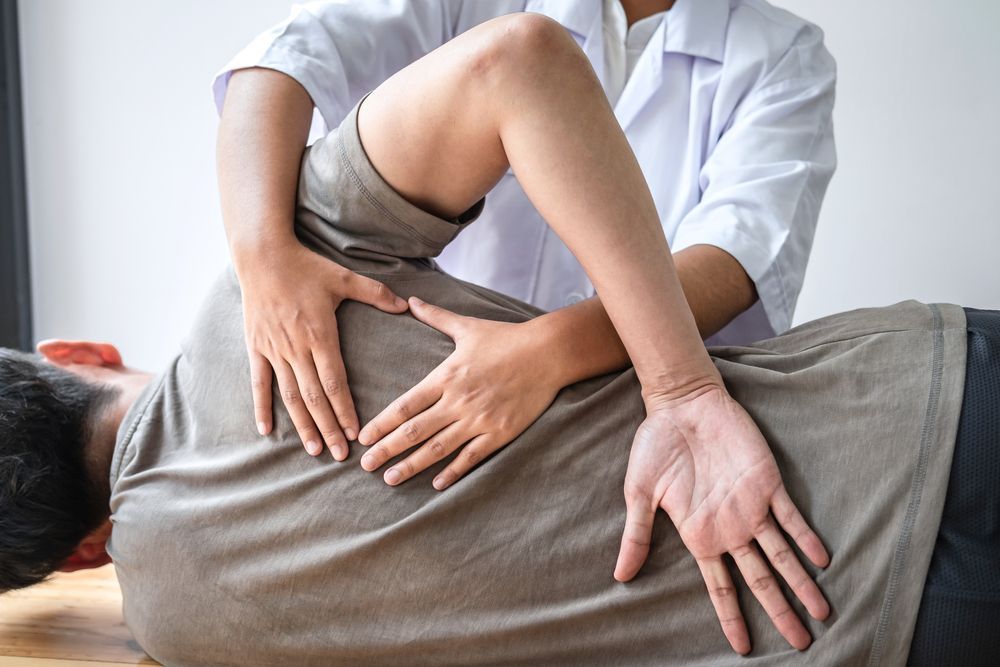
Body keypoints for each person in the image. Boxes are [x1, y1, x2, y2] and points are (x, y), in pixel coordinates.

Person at [1, 15, 995, 665]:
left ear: (78, 551)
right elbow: (500, 62)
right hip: (916, 408)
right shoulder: (285, 287)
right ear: (73, 352)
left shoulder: (186, 631)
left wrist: (265, 250)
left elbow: (735, 256)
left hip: (867, 626)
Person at [213, 0, 837, 472]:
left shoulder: (783, 56)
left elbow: (732, 261)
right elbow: (284, 62)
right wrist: (264, 256)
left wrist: (548, 352)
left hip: (629, 404)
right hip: (425, 380)